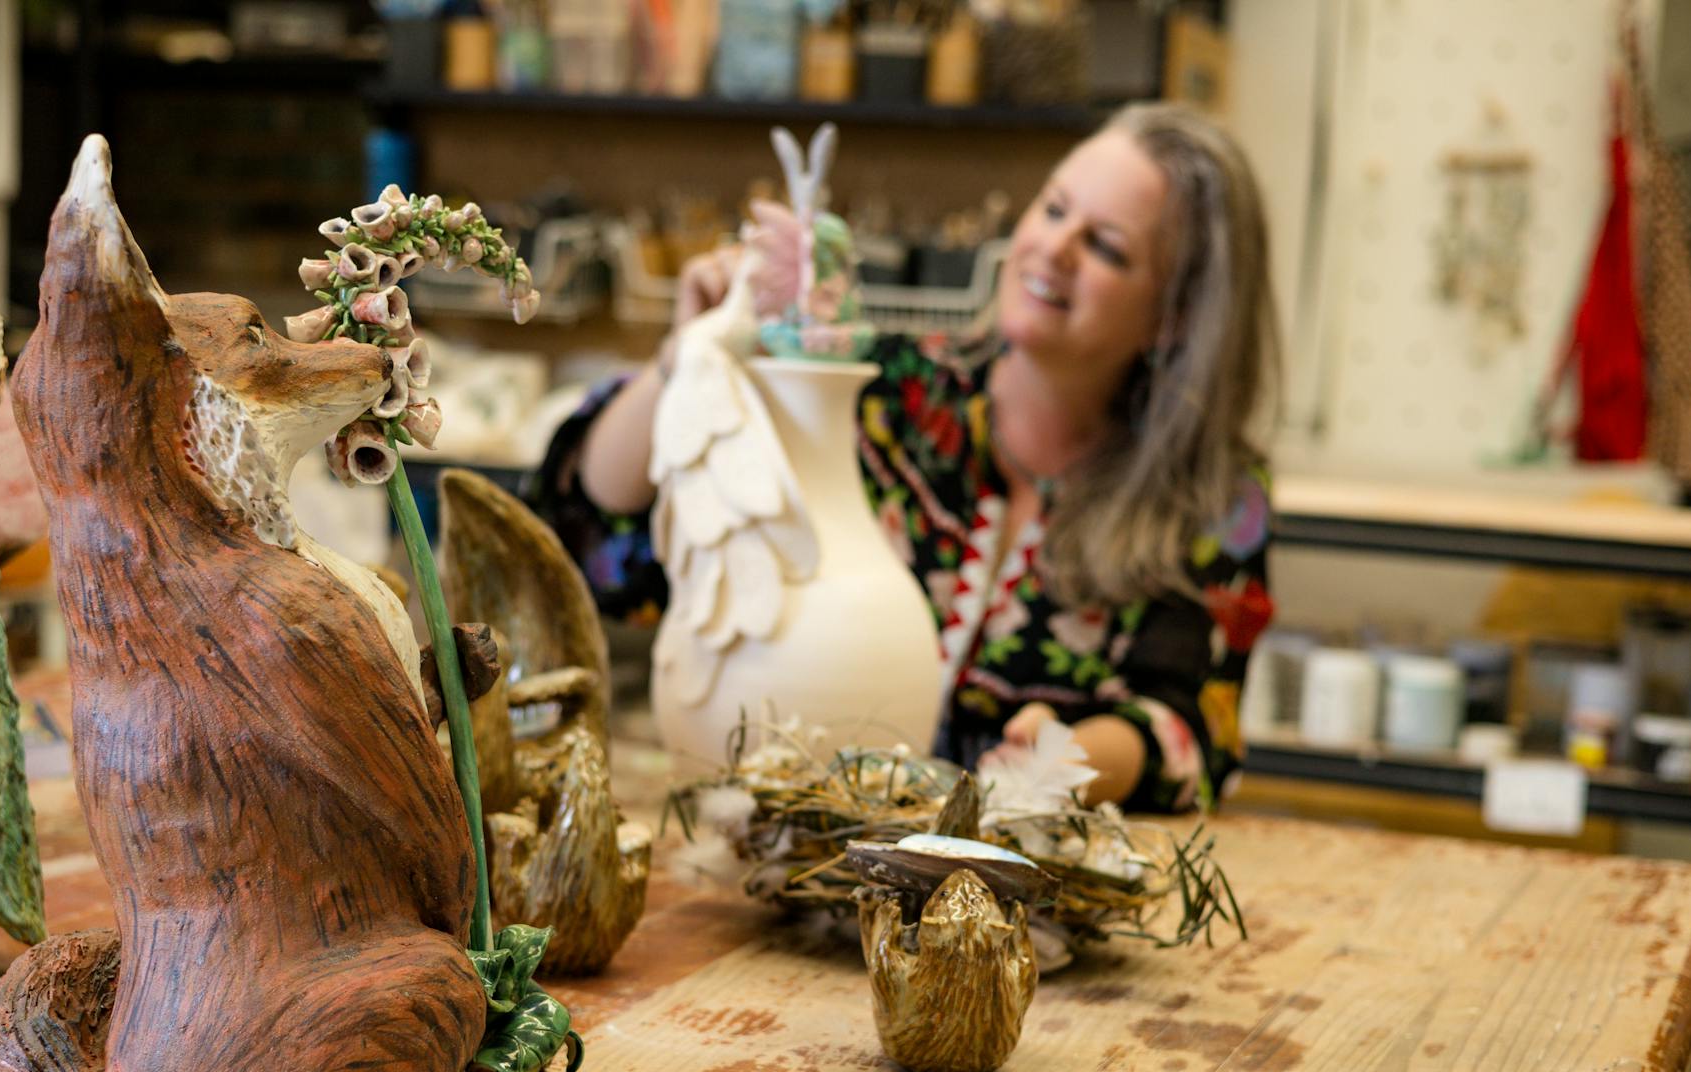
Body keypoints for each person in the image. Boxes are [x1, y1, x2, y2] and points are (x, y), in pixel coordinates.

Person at [535, 102, 1278, 812]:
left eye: (1107, 247)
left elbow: (1193, 728)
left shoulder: (1211, 498)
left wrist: (1066, 761)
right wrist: (689, 356)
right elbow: (593, 543)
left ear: (1175, 316)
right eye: (1053, 210)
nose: (1055, 249)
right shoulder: (874, 397)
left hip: (1018, 873)